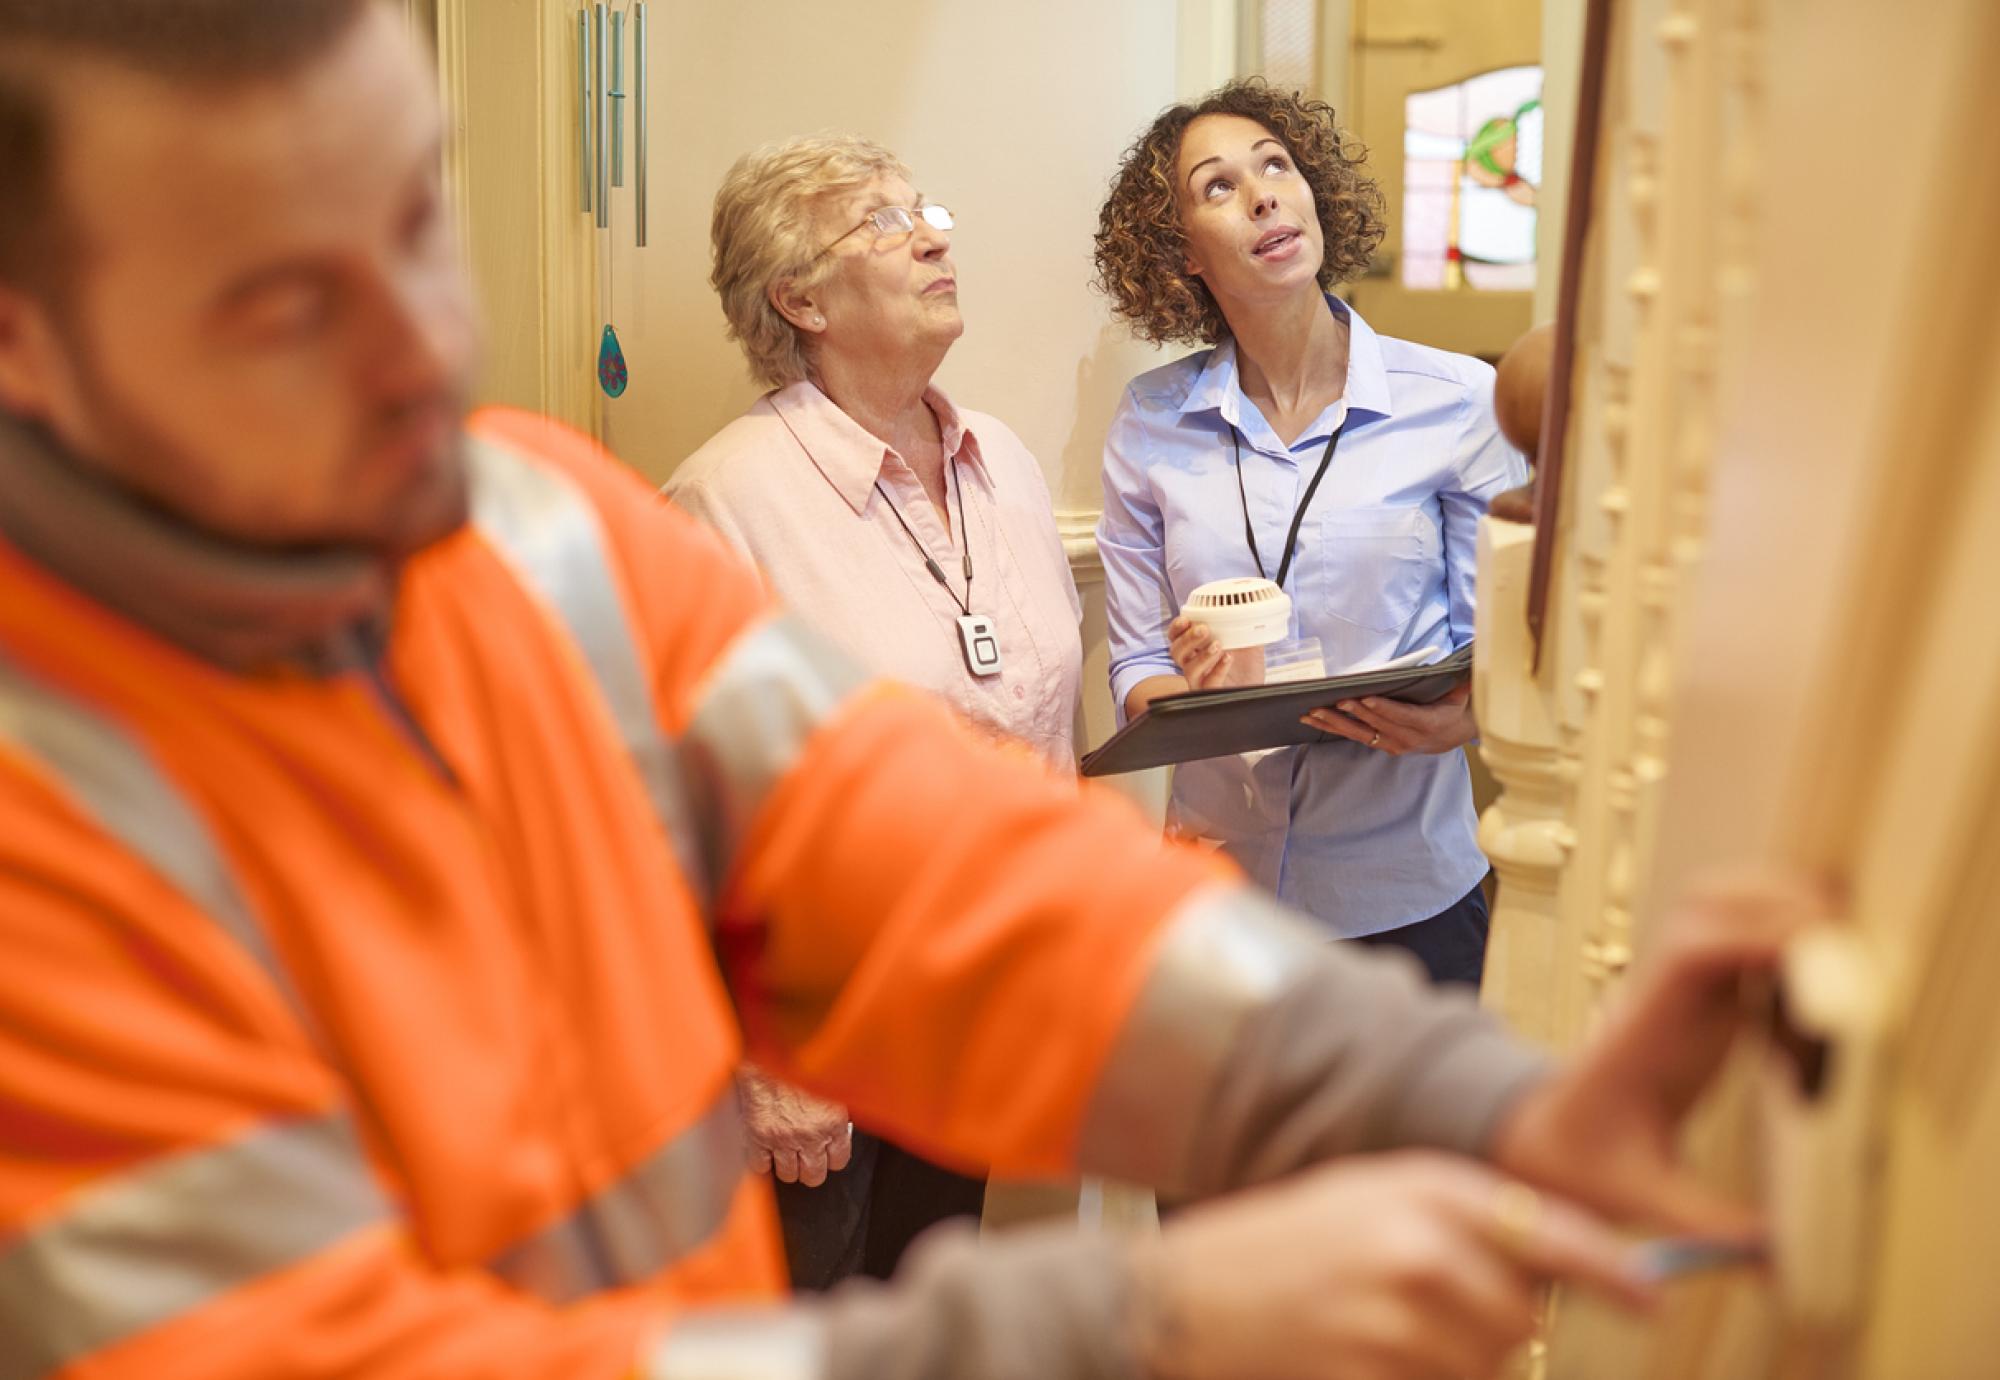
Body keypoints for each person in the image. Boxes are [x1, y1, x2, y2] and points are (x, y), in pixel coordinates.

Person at [0, 6, 1822, 1380]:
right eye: (278, 306)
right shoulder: (47, 827)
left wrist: (1456, 1095)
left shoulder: (521, 522)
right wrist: (1147, 1311)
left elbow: (928, 860)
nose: (421, 345)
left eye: (415, 221)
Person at [665, 135, 1085, 1288]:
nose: (933, 237)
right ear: (798, 297)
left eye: (927, 212)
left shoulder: (998, 456)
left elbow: (1039, 732)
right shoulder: (724, 497)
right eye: (885, 224)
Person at [1094, 81, 1526, 986]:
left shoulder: (1456, 402)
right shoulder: (1151, 421)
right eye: (1218, 187)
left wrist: (1462, 721)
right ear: (1182, 258)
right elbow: (1136, 670)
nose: (1263, 196)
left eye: (1277, 166)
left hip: (1408, 897)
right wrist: (1191, 690)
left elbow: (1506, 652)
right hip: (1217, 899)